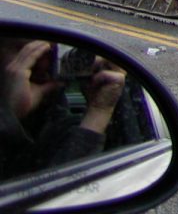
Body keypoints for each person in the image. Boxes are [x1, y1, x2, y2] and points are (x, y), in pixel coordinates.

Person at [0, 39, 126, 180]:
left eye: (52, 53)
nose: (42, 64)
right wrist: (9, 114)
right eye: (24, 51)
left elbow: (71, 189)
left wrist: (99, 110)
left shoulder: (65, 128)